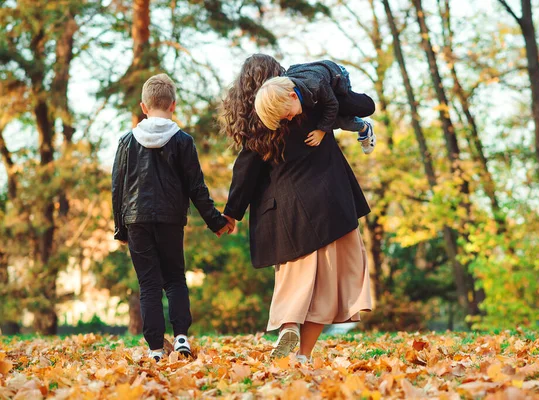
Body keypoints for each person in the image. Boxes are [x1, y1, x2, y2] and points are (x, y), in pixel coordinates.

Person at [219, 54, 373, 363]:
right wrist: (342, 90)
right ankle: (303, 354)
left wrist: (231, 213)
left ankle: (289, 325)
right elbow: (365, 105)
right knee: (326, 286)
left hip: (289, 215)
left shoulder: (259, 126)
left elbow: (245, 173)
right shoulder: (309, 101)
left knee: (296, 282)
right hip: (332, 204)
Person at [112, 73, 233, 362]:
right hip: (169, 220)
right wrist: (216, 221)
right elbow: (196, 187)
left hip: (136, 219)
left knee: (149, 285)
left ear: (144, 107)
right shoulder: (182, 141)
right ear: (173, 105)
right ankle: (181, 338)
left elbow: (117, 186)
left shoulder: (127, 142)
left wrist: (120, 228)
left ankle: (155, 348)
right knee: (175, 279)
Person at [254, 60, 376, 154]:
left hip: (337, 78)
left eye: (288, 114)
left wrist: (322, 130)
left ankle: (364, 127)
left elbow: (332, 105)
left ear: (293, 96)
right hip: (318, 78)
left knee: (338, 120)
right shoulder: (288, 91)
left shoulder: (315, 85)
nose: (290, 119)